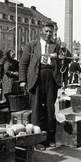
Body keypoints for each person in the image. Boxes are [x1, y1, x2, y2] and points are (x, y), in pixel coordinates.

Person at [19, 22, 62, 151]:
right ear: (41, 31)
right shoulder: (31, 45)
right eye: (47, 31)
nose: (49, 34)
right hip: (36, 79)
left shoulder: (56, 46)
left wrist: (56, 59)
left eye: (51, 32)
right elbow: (23, 63)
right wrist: (22, 80)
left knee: (50, 109)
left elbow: (62, 65)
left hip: (51, 80)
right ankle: (37, 140)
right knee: (36, 109)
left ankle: (49, 138)